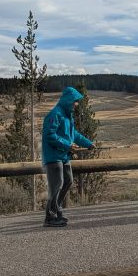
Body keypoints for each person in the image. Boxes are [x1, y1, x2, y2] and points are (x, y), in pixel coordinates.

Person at [41, 87, 95, 227]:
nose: (76, 104)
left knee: (68, 181)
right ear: (68, 100)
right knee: (57, 184)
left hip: (63, 155)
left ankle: (56, 210)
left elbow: (74, 135)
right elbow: (49, 136)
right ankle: (50, 217)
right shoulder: (55, 114)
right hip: (53, 156)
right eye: (75, 101)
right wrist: (68, 145)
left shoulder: (67, 115)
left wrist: (88, 143)